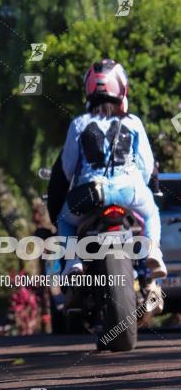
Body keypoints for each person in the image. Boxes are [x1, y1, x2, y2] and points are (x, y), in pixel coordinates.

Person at [47, 58, 167, 284]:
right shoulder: (133, 122)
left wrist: (55, 207)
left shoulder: (79, 124)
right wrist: (147, 187)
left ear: (88, 90)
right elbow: (148, 166)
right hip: (129, 191)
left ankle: (73, 263)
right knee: (151, 213)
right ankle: (153, 252)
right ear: (122, 89)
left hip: (91, 194)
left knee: (64, 219)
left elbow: (65, 170)